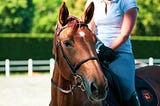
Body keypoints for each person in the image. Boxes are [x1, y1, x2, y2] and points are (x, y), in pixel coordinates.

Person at [85, 0, 140, 105]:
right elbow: (89, 31)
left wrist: (108, 50)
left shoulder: (128, 3)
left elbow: (124, 35)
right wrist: (99, 48)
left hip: (120, 53)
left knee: (126, 89)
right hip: (97, 51)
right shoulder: (92, 2)